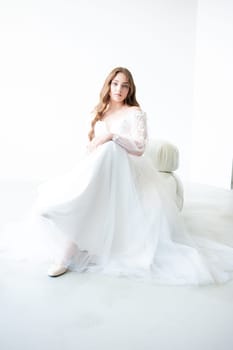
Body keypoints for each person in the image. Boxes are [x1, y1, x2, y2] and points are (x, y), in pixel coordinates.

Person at [34, 67, 233, 284]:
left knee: (111, 148)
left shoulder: (135, 113)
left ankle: (67, 244)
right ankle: (70, 228)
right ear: (108, 85)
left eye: (125, 85)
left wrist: (111, 136)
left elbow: (139, 147)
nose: (119, 88)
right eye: (115, 83)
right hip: (101, 169)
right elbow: (91, 149)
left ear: (130, 89)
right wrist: (98, 144)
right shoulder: (102, 111)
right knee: (103, 154)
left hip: (125, 168)